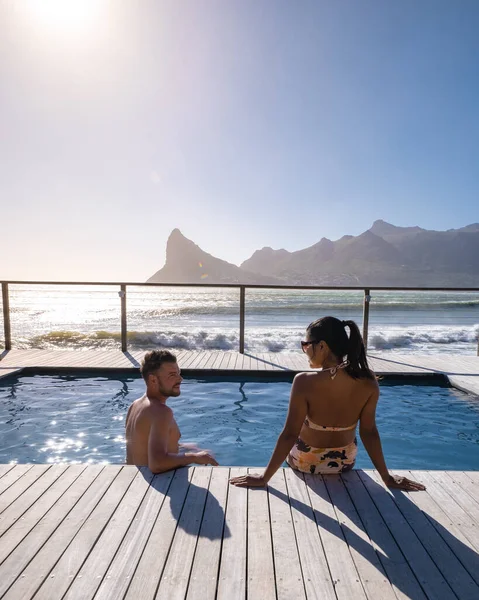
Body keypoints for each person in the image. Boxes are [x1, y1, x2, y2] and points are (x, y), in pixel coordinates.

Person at [230, 316, 425, 491]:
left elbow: (290, 434)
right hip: (344, 463)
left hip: (306, 462)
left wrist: (264, 478)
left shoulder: (303, 381)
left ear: (322, 346)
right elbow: (369, 432)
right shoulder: (368, 382)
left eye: (306, 345)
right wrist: (387, 477)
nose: (305, 350)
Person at [125, 349, 218, 473]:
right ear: (153, 380)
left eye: (179, 373)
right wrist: (194, 457)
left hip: (135, 481)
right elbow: (157, 464)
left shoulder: (135, 405)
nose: (180, 379)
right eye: (172, 375)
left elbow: (143, 446)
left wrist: (184, 448)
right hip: (157, 486)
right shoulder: (161, 412)